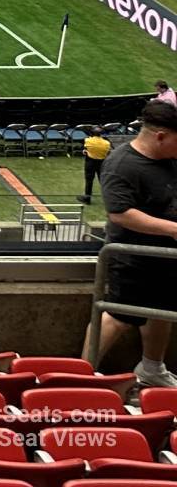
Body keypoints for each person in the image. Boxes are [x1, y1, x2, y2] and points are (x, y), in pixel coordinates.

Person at [98, 97, 177, 388]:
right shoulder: (121, 164)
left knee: (162, 311)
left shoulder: (169, 158)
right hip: (133, 259)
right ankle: (80, 373)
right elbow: (120, 214)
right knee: (118, 315)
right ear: (160, 136)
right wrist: (173, 229)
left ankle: (152, 369)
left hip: (167, 257)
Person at [86, 129, 114, 204]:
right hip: (102, 162)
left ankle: (87, 199)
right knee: (103, 181)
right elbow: (108, 152)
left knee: (89, 181)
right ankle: (108, 198)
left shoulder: (88, 140)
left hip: (90, 162)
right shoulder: (106, 143)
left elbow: (86, 148)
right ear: (101, 134)